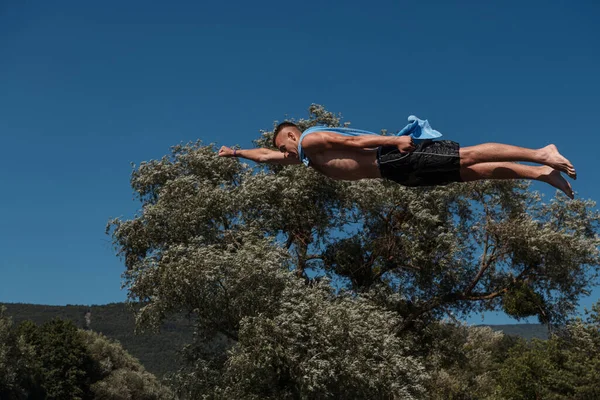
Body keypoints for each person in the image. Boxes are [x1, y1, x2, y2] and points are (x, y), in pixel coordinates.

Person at [218, 117, 576, 199]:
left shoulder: (311, 139)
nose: (283, 152)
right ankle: (540, 173)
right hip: (396, 173)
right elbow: (265, 157)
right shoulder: (309, 157)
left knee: (467, 156)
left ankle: (540, 153)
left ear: (293, 135)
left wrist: (395, 140)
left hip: (392, 158)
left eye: (284, 145)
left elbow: (349, 141)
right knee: (474, 173)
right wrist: (235, 152)